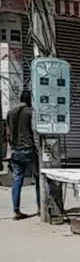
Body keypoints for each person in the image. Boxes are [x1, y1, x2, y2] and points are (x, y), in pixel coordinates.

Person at [6, 90, 39, 220]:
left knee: (17, 180)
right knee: (38, 178)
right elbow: (36, 131)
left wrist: (11, 149)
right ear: (30, 99)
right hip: (29, 150)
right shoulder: (30, 111)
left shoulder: (10, 113)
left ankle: (16, 211)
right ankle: (40, 208)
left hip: (16, 152)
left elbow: (8, 133)